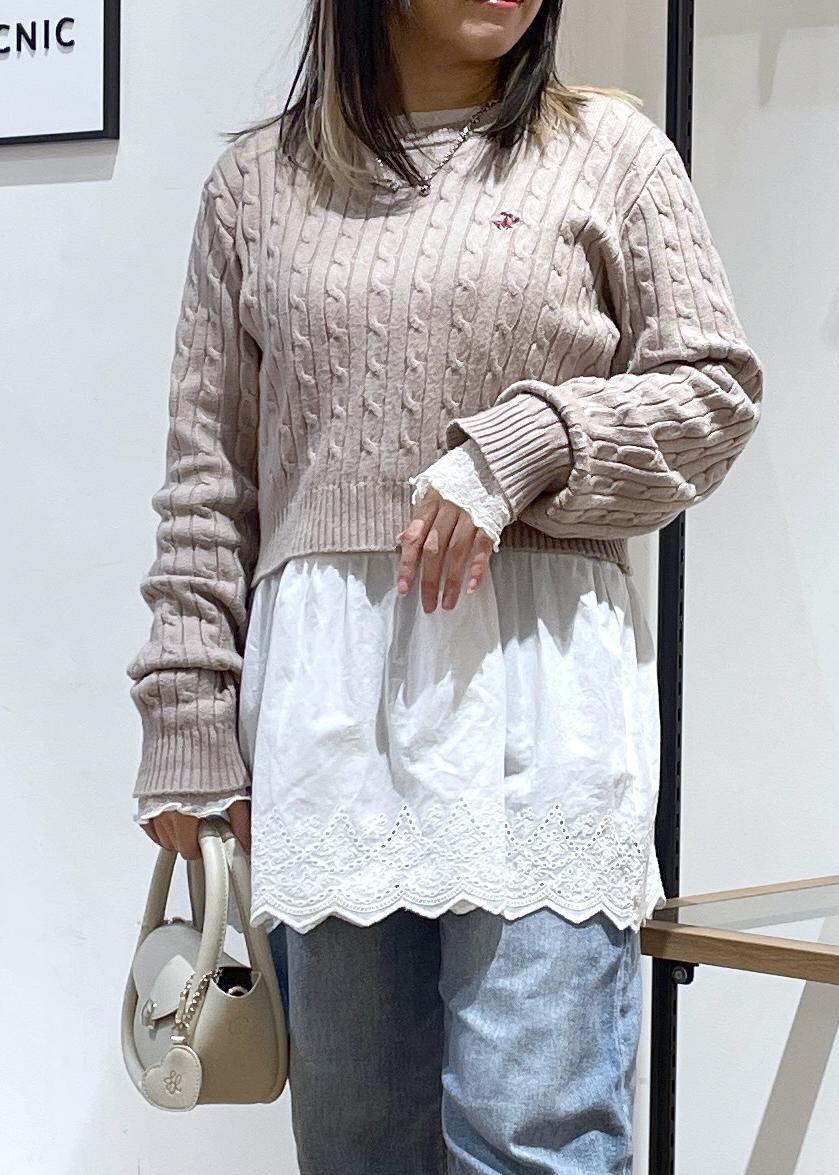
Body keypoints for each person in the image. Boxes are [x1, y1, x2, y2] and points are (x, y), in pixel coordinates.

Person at [126, 1, 764, 1170]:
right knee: (358, 1136)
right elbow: (208, 482)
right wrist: (184, 721)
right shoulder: (256, 188)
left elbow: (711, 394)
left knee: (532, 1127)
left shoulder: (610, 153)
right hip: (328, 720)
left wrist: (531, 443)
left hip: (539, 710)